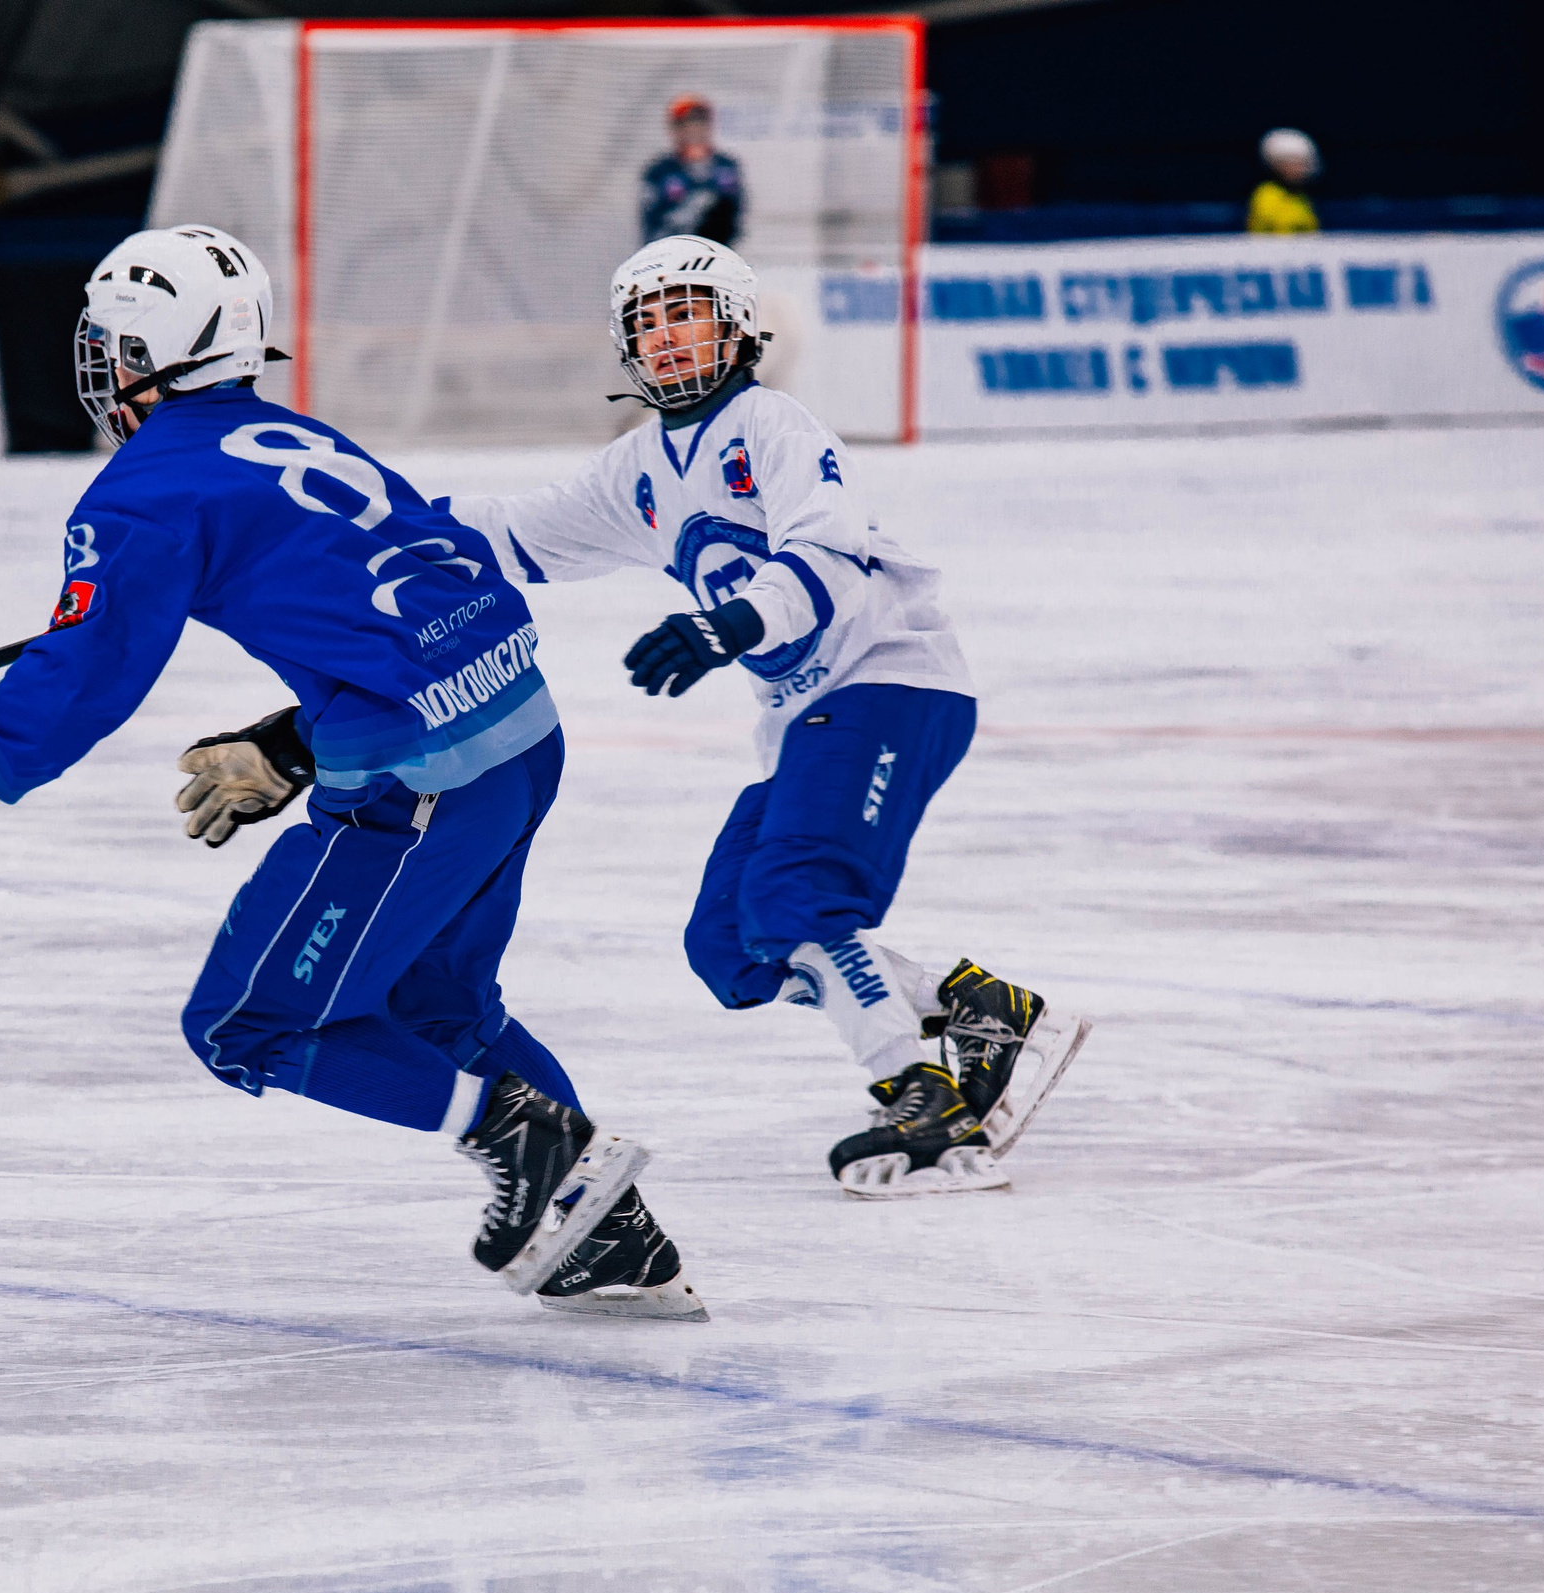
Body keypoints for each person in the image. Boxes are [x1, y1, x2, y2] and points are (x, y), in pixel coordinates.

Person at [0, 223, 706, 1318]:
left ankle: (531, 1148)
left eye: (113, 346)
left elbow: (89, 670)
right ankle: (606, 1233)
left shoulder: (140, 494)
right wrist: (295, 737)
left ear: (140, 356)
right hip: (520, 735)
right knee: (434, 1002)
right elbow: (416, 588)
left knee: (250, 1025)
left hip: (422, 776)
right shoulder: (298, 434)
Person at [441, 235, 1090, 1199]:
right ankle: (979, 1007)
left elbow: (827, 548)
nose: (666, 340)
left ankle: (918, 1094)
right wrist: (369, 518)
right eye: (646, 323)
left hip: (888, 684)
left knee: (798, 898)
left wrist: (728, 624)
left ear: (740, 328)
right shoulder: (640, 469)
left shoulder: (772, 425)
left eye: (686, 314)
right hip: (803, 722)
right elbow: (518, 531)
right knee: (730, 947)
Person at [640, 94, 747, 246]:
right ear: (675, 129)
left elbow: (737, 214)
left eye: (700, 123)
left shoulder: (726, 167)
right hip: (672, 253)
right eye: (687, 124)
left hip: (717, 254)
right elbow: (651, 222)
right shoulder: (659, 172)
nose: (694, 129)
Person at [1248, 128, 1321, 235]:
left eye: (1303, 164)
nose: (1301, 169)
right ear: (1278, 164)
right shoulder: (1266, 195)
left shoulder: (1301, 197)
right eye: (1295, 163)